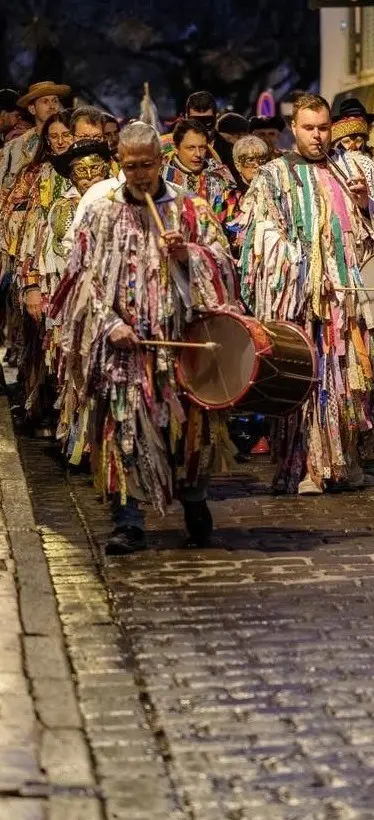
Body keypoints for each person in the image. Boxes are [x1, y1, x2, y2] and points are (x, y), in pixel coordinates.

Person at [53, 122, 237, 555]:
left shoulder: (189, 208)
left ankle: (194, 502)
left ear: (161, 161)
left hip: (181, 341)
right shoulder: (100, 213)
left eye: (147, 164)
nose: (139, 173)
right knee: (125, 427)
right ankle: (128, 518)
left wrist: (188, 254)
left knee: (190, 427)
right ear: (120, 163)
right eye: (130, 165)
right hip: (126, 344)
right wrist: (107, 324)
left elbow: (225, 266)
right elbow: (81, 279)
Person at [240, 93, 374, 495]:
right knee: (309, 382)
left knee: (351, 384)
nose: (317, 136)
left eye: (323, 127)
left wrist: (366, 203)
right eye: (309, 128)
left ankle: (343, 460)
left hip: (351, 301)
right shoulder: (274, 175)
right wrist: (304, 269)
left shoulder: (356, 167)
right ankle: (306, 464)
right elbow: (257, 236)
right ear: (293, 129)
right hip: (304, 302)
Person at [25, 139, 112, 437]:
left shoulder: (121, 198)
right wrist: (34, 287)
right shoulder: (62, 208)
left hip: (114, 299)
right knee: (77, 366)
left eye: (95, 169)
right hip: (75, 300)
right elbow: (48, 252)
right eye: (81, 171)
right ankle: (81, 437)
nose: (89, 177)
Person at [2, 112, 74, 431]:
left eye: (66, 136)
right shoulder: (36, 175)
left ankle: (74, 417)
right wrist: (31, 282)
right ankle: (48, 406)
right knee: (48, 340)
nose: (59, 142)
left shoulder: (97, 173)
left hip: (81, 276)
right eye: (53, 137)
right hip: (46, 274)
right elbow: (21, 226)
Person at [0, 81, 69, 190]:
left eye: (55, 101)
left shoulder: (70, 138)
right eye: (45, 101)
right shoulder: (15, 147)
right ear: (32, 109)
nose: (52, 106)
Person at [162, 119, 236, 220]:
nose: (198, 154)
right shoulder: (161, 177)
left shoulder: (219, 175)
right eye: (190, 148)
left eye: (202, 148)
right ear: (175, 148)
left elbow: (231, 219)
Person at [160, 90, 219, 157]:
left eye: (207, 120)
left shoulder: (229, 146)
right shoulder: (166, 145)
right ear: (186, 118)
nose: (201, 127)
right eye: (196, 121)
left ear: (216, 118)